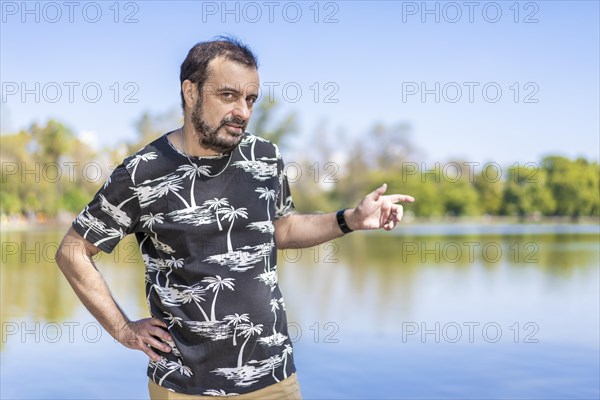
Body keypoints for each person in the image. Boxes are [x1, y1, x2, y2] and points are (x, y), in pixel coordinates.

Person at [55, 36, 414, 399]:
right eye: (228, 95)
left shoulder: (264, 157)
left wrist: (349, 219)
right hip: (184, 387)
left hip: (275, 379)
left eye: (250, 99)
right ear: (190, 92)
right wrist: (123, 329)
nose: (242, 111)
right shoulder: (143, 173)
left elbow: (281, 229)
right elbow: (72, 252)